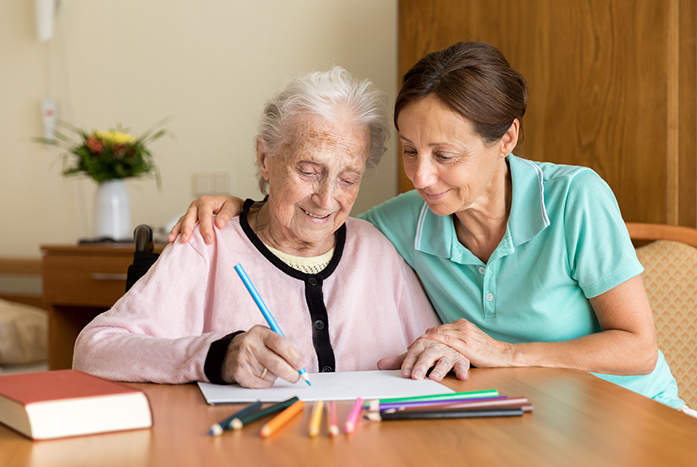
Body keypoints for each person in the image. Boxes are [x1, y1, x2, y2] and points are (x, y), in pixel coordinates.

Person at [169, 42, 688, 410]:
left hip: (630, 413)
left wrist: (501, 353)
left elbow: (638, 349)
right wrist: (246, 203)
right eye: (411, 151)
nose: (421, 176)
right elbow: (316, 225)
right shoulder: (405, 220)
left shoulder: (577, 198)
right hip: (520, 423)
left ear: (507, 138)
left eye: (444, 155)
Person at [72, 66, 443, 388]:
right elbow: (93, 350)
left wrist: (441, 352)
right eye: (309, 172)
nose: (326, 198)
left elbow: (436, 345)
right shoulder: (208, 241)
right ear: (265, 159)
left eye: (348, 179)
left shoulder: (375, 249)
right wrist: (215, 356)